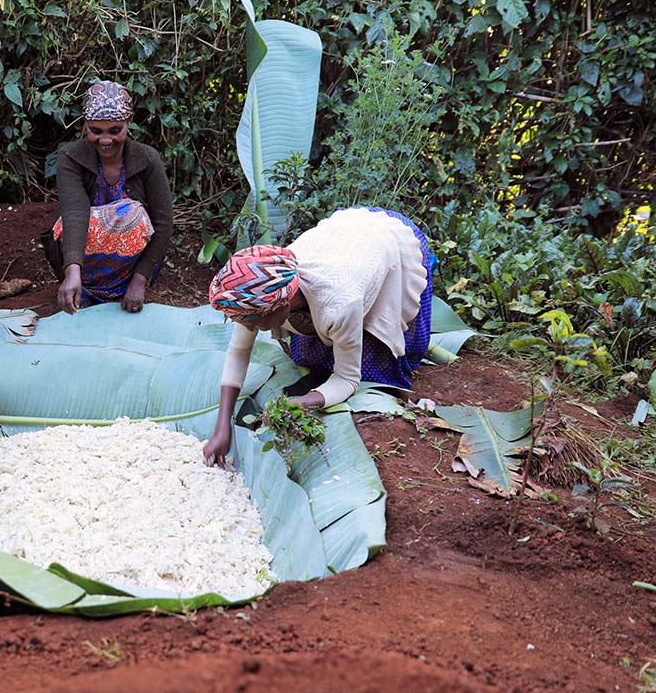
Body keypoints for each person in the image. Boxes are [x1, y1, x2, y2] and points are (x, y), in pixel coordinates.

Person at [203, 206, 433, 467]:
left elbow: (347, 379)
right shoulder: (261, 288)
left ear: (283, 307)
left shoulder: (340, 302)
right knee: (310, 355)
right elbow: (238, 352)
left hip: (388, 241)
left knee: (374, 366)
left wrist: (307, 401)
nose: (247, 327)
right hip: (344, 232)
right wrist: (222, 426)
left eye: (250, 323)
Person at [48, 80, 173, 314]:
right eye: (96, 131)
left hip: (132, 269)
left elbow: (164, 224)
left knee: (132, 214)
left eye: (115, 130)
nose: (105, 140)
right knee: (67, 224)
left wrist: (140, 281)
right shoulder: (70, 157)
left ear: (128, 123)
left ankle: (123, 285)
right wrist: (72, 271)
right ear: (86, 125)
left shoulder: (147, 159)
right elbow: (75, 211)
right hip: (84, 267)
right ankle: (83, 287)